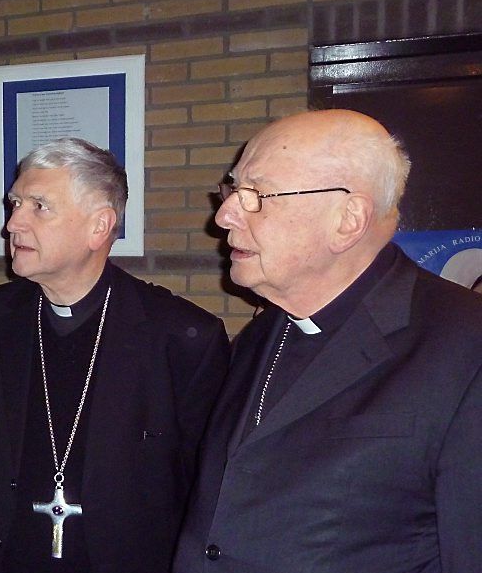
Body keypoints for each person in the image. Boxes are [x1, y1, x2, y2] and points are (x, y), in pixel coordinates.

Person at [173, 109, 482, 573]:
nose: (224, 215)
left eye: (255, 194)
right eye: (233, 190)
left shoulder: (465, 346)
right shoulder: (260, 335)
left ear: (348, 219)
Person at [0, 138, 230, 573]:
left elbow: (202, 485)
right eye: (15, 204)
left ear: (99, 227)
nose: (12, 225)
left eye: (39, 206)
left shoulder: (181, 336)